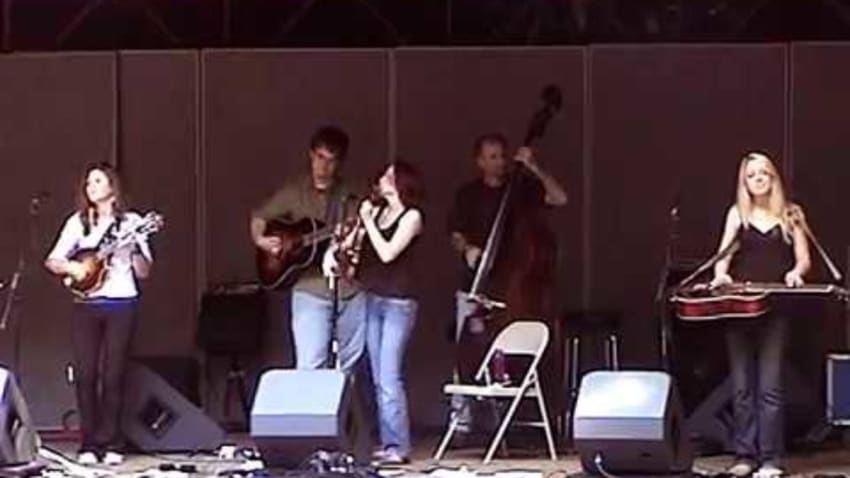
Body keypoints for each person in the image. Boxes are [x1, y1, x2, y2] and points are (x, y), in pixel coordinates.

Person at [446, 132, 567, 437]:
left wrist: (534, 166)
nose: (500, 162)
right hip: (476, 284)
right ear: (479, 161)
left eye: (502, 156)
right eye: (492, 157)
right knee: (467, 351)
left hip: (517, 291)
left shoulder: (522, 189)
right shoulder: (467, 194)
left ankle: (519, 418)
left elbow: (559, 198)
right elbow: (455, 233)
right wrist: (468, 249)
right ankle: (463, 423)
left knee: (521, 351)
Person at [45, 162, 154, 466]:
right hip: (86, 305)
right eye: (88, 182)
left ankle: (113, 442)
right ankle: (89, 442)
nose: (90, 187)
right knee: (85, 374)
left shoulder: (131, 222)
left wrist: (133, 250)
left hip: (122, 303)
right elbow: (53, 260)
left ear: (112, 187)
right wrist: (74, 267)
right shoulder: (79, 222)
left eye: (97, 181)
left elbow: (145, 273)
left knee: (114, 374)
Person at [709, 152, 811, 478]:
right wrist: (721, 275)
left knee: (770, 387)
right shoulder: (737, 214)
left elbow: (803, 259)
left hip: (775, 309)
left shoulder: (791, 214)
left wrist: (797, 273)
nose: (759, 179)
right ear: (744, 181)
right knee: (741, 387)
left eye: (765, 173)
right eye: (752, 175)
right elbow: (722, 258)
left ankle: (770, 459)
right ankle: (744, 456)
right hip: (741, 307)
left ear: (774, 177)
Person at [250, 125, 366, 373]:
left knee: (348, 368)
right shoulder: (294, 191)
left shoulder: (352, 195)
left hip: (348, 289)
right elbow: (260, 216)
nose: (324, 167)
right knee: (310, 365)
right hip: (309, 288)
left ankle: (340, 412)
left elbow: (363, 234)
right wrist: (261, 240)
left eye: (331, 161)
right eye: (320, 158)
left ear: (340, 163)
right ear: (311, 155)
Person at [352, 160, 424, 465]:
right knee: (375, 374)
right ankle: (385, 441)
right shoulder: (378, 212)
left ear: (400, 183)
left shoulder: (412, 217)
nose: (381, 179)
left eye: (388, 175)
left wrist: (367, 222)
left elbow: (387, 252)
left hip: (398, 303)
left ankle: (399, 445)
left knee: (390, 375)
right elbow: (365, 255)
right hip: (372, 298)